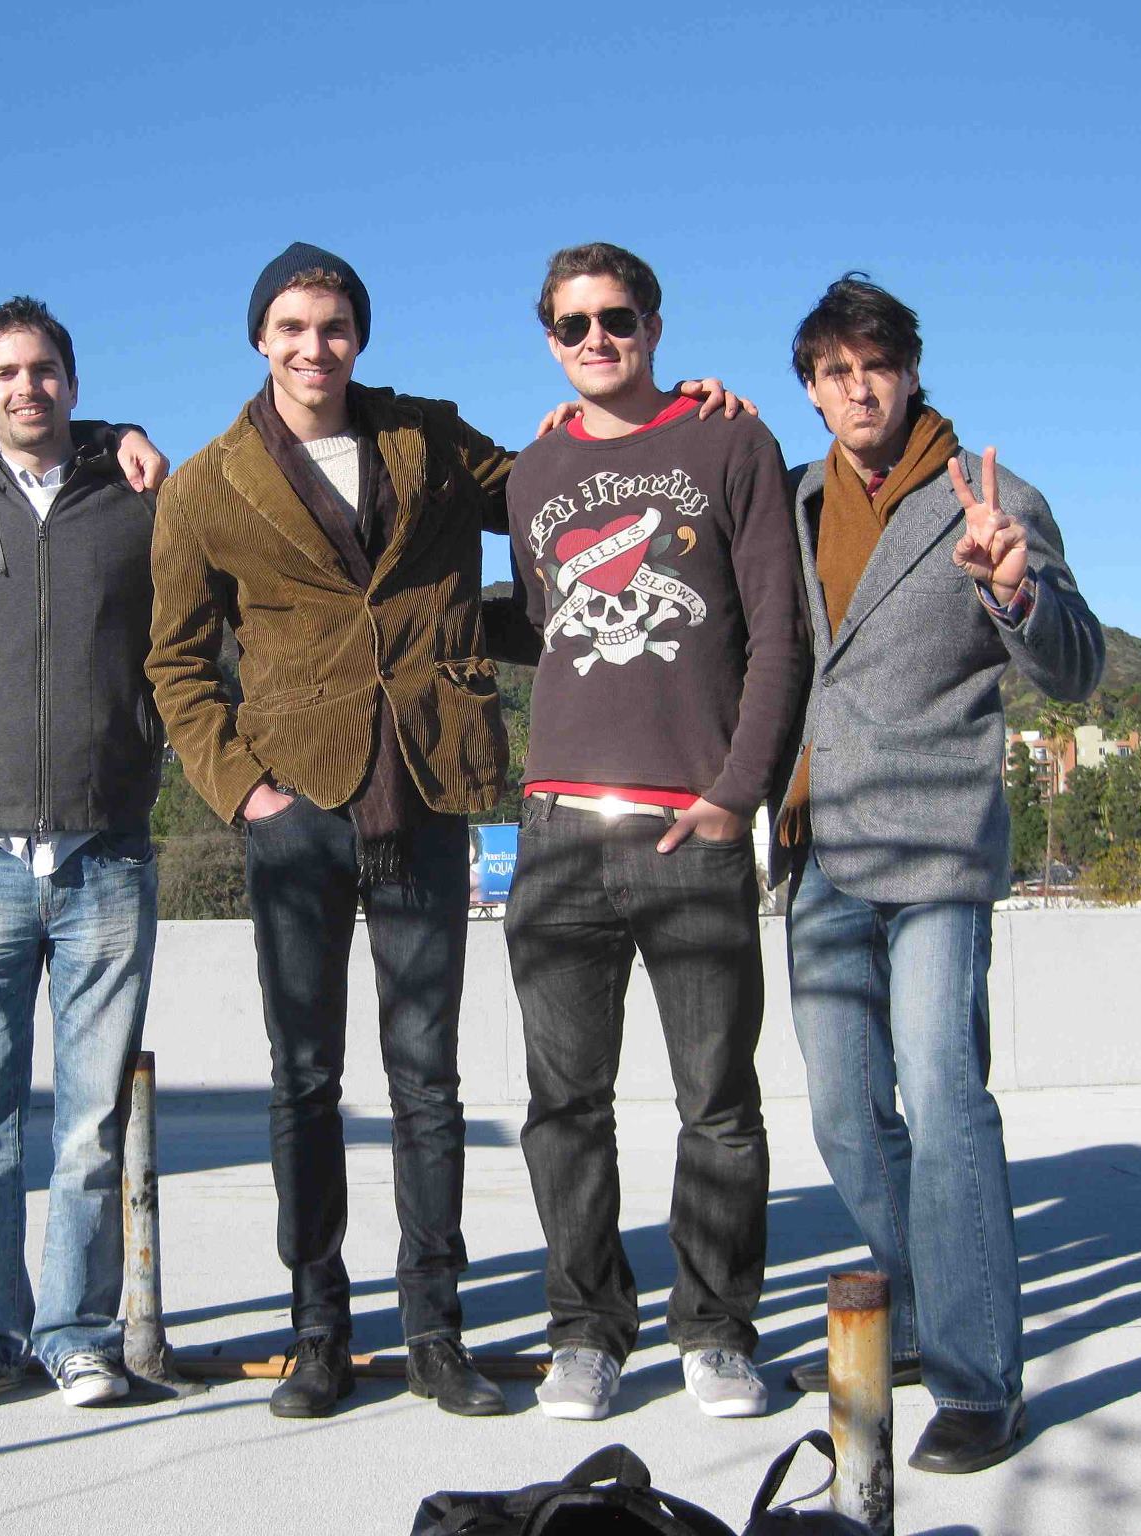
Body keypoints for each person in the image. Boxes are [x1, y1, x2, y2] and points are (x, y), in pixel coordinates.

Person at [148, 242, 740, 1419]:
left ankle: (434, 1333)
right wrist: (244, 795)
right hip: (296, 809)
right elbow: (174, 661)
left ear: (359, 336)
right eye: (290, 328)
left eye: (333, 326)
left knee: (427, 1081)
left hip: (422, 791)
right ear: (259, 341)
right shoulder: (207, 483)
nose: (313, 347)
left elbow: (571, 487)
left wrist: (682, 420)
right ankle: (319, 1330)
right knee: (303, 1082)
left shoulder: (424, 437)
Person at [774, 274, 1104, 1473]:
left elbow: (1075, 667)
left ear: (909, 371)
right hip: (821, 848)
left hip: (937, 848)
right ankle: (911, 1316)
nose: (857, 388)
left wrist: (1011, 587)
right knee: (843, 1112)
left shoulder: (992, 496)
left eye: (877, 365)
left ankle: (978, 1378)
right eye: (832, 371)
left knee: (942, 1094)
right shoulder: (799, 498)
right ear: (809, 390)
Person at [501, 243, 807, 1423]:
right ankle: (583, 1332)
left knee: (715, 1104)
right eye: (572, 325)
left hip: (693, 831)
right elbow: (547, 625)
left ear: (655, 324)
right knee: (560, 1108)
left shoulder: (732, 443)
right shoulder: (532, 474)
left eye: (615, 319)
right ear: (548, 340)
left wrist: (737, 794)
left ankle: (716, 1331)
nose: (595, 341)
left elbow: (777, 634)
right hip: (558, 831)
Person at [0, 297, 166, 1410]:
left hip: (106, 850)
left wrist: (121, 435)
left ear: (73, 380)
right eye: (5, 374)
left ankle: (75, 1334)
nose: (27, 388)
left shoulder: (140, 499)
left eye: (45, 370)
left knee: (91, 1122)